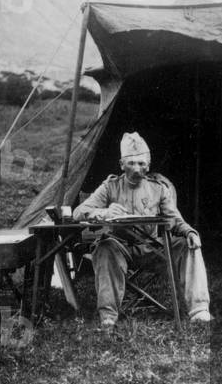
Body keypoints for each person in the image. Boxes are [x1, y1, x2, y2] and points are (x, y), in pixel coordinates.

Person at [74, 132, 212, 328]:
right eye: (131, 163)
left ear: (148, 165)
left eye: (141, 163)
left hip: (153, 249)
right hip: (120, 249)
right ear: (122, 164)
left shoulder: (159, 189)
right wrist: (104, 212)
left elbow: (175, 219)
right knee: (104, 248)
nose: (137, 169)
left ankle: (199, 310)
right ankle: (108, 316)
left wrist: (190, 232)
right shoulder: (110, 187)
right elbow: (80, 212)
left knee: (188, 245)